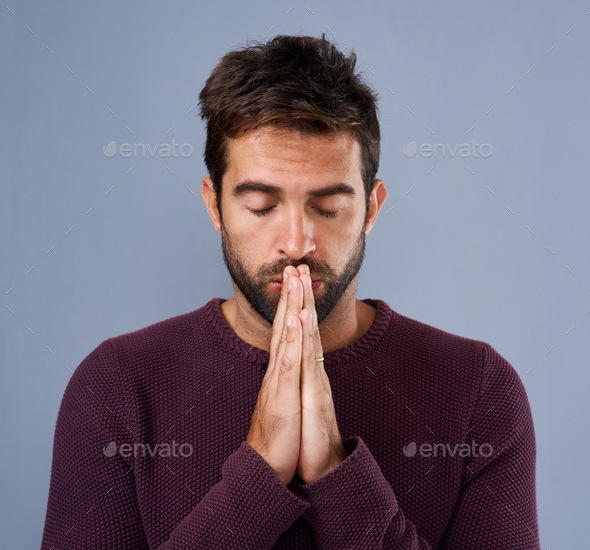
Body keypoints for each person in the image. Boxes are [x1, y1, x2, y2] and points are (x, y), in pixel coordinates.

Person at [41, 34, 541, 549]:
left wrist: (335, 472)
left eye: (328, 208)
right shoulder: (115, 387)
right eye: (261, 205)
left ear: (371, 208)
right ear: (215, 207)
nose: (297, 243)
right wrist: (257, 477)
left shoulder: (480, 390)